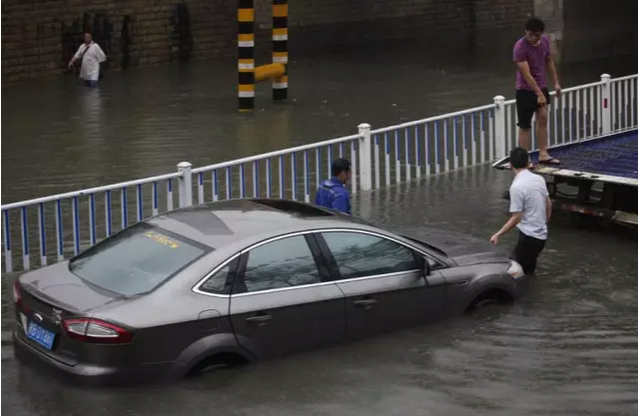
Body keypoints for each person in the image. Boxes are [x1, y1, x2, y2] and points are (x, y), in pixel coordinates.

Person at [490, 147, 552, 275]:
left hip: (529, 237)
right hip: (541, 236)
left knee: (515, 273)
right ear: (528, 162)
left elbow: (516, 218)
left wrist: (498, 234)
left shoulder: (517, 187)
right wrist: (544, 224)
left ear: (510, 165)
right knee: (529, 269)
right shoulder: (538, 179)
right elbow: (548, 204)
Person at [513, 17, 562, 166]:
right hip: (525, 90)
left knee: (543, 119)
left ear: (542, 34)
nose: (534, 38)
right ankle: (524, 160)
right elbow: (526, 74)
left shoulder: (545, 41)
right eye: (531, 35)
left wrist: (556, 83)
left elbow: (549, 62)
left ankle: (543, 153)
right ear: (526, 32)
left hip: (542, 86)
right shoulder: (520, 47)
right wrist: (538, 94)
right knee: (525, 125)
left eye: (537, 35)